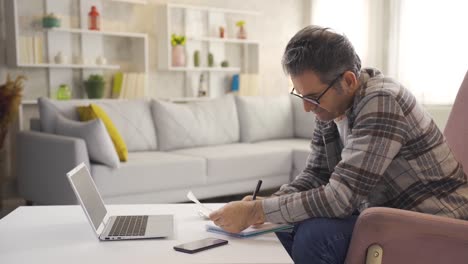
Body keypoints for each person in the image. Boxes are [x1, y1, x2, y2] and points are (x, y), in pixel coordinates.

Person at [209, 25, 468, 264]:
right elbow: (316, 175)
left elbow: (340, 199)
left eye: (312, 97)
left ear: (348, 81)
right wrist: (270, 201)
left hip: (436, 221)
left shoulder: (382, 100)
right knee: (283, 227)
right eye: (300, 95)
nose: (307, 107)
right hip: (383, 213)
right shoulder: (332, 107)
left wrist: (257, 211)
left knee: (315, 235)